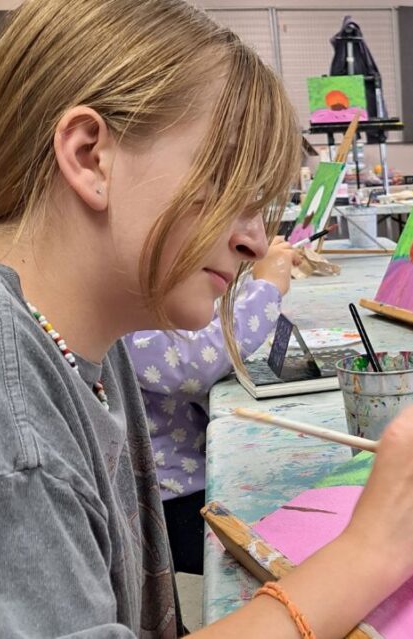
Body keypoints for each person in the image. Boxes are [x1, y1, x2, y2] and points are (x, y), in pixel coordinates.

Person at [0, 1, 413, 637]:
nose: (256, 241)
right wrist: (377, 546)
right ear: (91, 156)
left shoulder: (78, 340)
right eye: (231, 182)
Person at [126, 236, 298, 576]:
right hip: (171, 502)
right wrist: (265, 289)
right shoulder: (116, 308)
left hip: (184, 485)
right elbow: (194, 362)